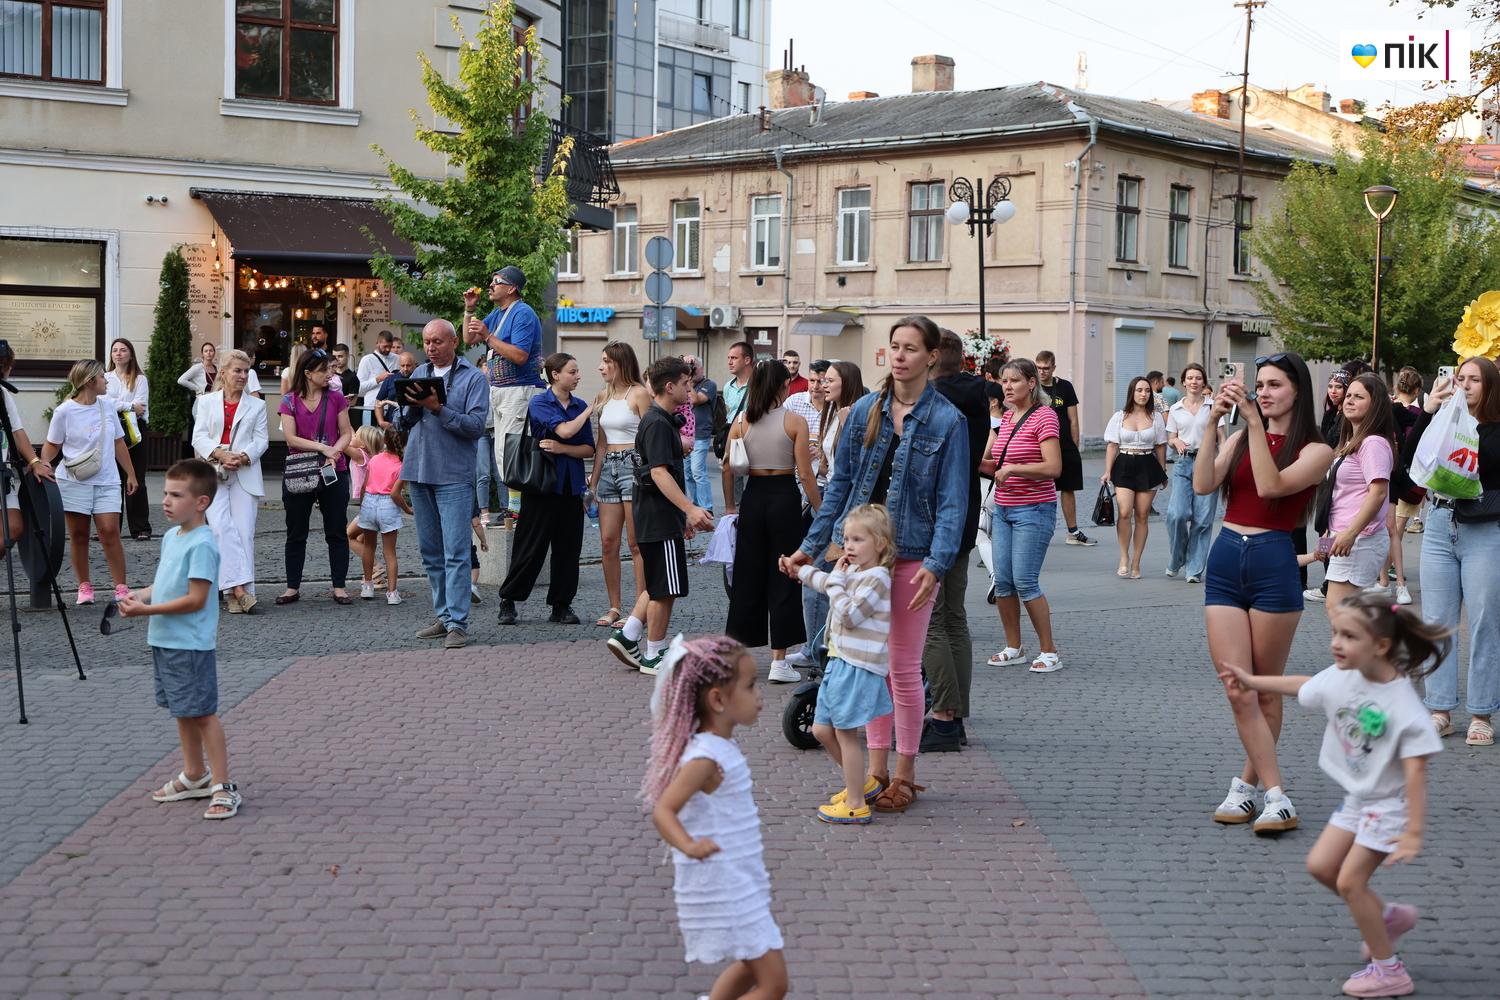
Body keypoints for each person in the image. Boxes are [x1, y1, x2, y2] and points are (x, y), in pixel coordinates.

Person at [781, 316, 968, 815]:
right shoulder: (865, 409)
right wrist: (812, 546)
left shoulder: (949, 421)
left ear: (931, 356)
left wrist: (938, 563)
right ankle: (874, 773)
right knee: (868, 665)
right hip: (857, 555)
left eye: (911, 348)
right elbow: (839, 486)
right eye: (895, 346)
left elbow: (954, 501)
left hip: (912, 558)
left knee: (904, 669)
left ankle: (903, 774)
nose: (900, 355)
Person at [1218, 592, 1448, 998]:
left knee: (1350, 883)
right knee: (1322, 867)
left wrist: (1413, 830)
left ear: (1380, 646)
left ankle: (1389, 970)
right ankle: (1387, 917)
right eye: (1335, 633)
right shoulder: (1345, 675)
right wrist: (1252, 681)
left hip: (1388, 806)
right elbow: (1305, 685)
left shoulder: (1402, 703)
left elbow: (1417, 769)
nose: (1336, 644)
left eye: (1348, 637)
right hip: (1359, 799)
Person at [1195, 351, 1334, 833]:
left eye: (1275, 384)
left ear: (1298, 390)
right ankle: (1274, 795)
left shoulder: (1316, 449)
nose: (1264, 392)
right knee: (1236, 684)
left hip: (1275, 558)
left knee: (1265, 689)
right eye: (1260, 384)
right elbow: (1203, 483)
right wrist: (1213, 423)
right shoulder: (1237, 435)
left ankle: (1249, 788)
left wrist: (1254, 424)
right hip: (1228, 554)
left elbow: (1272, 486)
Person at [643, 635, 788, 1000]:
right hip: (727, 882)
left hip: (743, 876)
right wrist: (689, 846)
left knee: (750, 965)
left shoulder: (719, 750)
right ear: (718, 699)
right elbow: (664, 810)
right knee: (773, 985)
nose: (760, 696)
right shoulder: (705, 757)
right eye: (751, 686)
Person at [121, 459, 240, 820]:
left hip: (189, 644)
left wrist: (146, 612)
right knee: (182, 710)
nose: (166, 501)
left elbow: (196, 599)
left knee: (203, 714)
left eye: (176, 495)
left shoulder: (203, 544)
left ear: (201, 502)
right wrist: (142, 595)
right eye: (165, 493)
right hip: (165, 640)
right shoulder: (174, 537)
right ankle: (193, 774)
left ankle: (222, 785)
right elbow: (167, 585)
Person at [1406, 357, 1500, 747]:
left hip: (1484, 527)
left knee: (1483, 621)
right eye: (1460, 378)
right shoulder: (1442, 415)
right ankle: (1440, 710)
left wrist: (1469, 430)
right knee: (1436, 622)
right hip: (1439, 525)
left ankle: (1481, 713)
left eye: (1474, 380)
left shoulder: (1494, 427)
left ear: (1491, 386)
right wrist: (1430, 413)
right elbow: (1410, 460)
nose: (1465, 385)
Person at [606, 357, 713, 674]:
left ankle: (629, 637)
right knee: (665, 590)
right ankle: (654, 653)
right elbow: (660, 473)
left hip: (660, 516)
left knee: (657, 583)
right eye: (685, 384)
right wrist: (689, 510)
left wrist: (682, 516)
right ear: (670, 386)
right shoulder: (656, 422)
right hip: (657, 516)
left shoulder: (660, 420)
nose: (689, 389)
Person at [722, 358, 821, 682]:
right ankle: (779, 660)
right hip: (783, 497)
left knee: (747, 576)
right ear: (783, 386)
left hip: (753, 497)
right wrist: (821, 512)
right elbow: (805, 474)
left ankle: (739, 655)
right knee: (785, 572)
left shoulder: (741, 422)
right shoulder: (794, 422)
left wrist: (730, 506)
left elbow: (726, 466)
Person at [800, 504, 894, 824]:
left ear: (879, 543)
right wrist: (798, 570)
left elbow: (849, 614)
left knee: (845, 733)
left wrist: (837, 580)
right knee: (821, 729)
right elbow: (828, 584)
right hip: (839, 661)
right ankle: (862, 785)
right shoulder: (852, 571)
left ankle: (856, 803)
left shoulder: (877, 577)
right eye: (846, 539)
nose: (849, 546)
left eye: (857, 539)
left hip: (857, 665)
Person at [401, 319, 489, 650]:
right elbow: (404, 424)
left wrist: (438, 409)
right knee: (431, 551)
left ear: (454, 342)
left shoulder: (473, 378)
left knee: (456, 552)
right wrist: (406, 411)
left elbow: (476, 426)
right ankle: (444, 616)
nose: (431, 348)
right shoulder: (418, 374)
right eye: (426, 342)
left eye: (438, 341)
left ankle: (458, 623)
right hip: (420, 470)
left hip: (453, 474)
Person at [922, 331, 990, 752]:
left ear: (931, 359)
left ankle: (943, 717)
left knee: (930, 619)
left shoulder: (935, 401)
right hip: (964, 511)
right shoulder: (978, 394)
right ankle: (957, 714)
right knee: (953, 617)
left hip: (934, 518)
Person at [496, 353, 596, 626]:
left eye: (577, 372)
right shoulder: (540, 401)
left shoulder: (579, 404)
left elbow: (588, 448)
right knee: (529, 547)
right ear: (555, 374)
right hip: (541, 485)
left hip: (571, 486)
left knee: (568, 550)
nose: (577, 376)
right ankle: (509, 600)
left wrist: (564, 449)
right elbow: (563, 431)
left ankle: (561, 605)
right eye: (572, 372)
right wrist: (587, 414)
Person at [983, 357, 1064, 673]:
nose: (1007, 386)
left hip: (1034, 509)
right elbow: (995, 463)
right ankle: (1013, 646)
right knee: (1003, 581)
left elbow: (1053, 467)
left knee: (1025, 581)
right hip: (1003, 508)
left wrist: (1015, 469)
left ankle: (1049, 651)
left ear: (1032, 383)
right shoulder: (1005, 417)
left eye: (1014, 380)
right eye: (1004, 381)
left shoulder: (1044, 417)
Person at [43, 359, 136, 605]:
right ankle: (84, 586)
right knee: (79, 534)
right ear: (90, 382)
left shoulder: (106, 407)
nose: (106, 381)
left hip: (107, 480)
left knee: (110, 531)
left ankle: (121, 587)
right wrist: (43, 464)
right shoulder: (64, 411)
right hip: (73, 480)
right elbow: (53, 444)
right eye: (103, 378)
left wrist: (131, 473)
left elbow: (118, 442)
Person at [790, 360, 864, 670]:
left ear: (845, 383)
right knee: (824, 581)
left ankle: (817, 649)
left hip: (844, 507)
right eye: (821, 381)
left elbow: (852, 470)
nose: (822, 385)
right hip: (833, 501)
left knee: (820, 580)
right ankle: (816, 646)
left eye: (829, 380)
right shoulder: (832, 414)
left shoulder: (851, 414)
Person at [276, 349, 355, 607]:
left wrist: (337, 451)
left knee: (336, 530)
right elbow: (291, 438)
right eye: (323, 370)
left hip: (334, 470)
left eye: (330, 369)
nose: (329, 374)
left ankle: (339, 587)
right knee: (296, 531)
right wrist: (324, 448)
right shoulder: (289, 401)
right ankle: (292, 587)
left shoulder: (336, 398)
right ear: (308, 373)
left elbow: (346, 432)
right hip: (301, 470)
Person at [191, 350, 267, 615]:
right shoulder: (206, 402)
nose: (243, 376)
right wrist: (220, 454)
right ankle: (238, 591)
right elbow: (198, 437)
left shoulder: (257, 405)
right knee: (221, 529)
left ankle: (238, 592)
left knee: (243, 531)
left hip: (244, 474)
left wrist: (244, 456)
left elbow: (262, 440)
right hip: (214, 472)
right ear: (223, 372)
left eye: (246, 371)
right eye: (237, 371)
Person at [463, 265, 544, 505]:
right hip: (500, 391)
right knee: (502, 454)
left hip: (519, 390)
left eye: (497, 282)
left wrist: (489, 337)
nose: (491, 286)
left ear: (512, 288)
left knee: (512, 453)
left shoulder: (523, 313)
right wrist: (469, 310)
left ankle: (518, 510)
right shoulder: (498, 313)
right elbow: (468, 339)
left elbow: (520, 355)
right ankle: (515, 507)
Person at [1318, 374, 1396, 617]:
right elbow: (1342, 495)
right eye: (1348, 395)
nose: (1349, 400)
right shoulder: (1351, 441)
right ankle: (1361, 654)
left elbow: (1378, 492)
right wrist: (1327, 537)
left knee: (1341, 612)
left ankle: (1365, 654)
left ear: (1375, 405)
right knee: (1345, 613)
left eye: (1359, 397)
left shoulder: (1373, 443)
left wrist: (1351, 533)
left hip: (1359, 539)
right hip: (1343, 537)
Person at [589, 343, 652, 630]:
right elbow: (601, 443)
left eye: (606, 361)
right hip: (609, 468)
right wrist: (594, 477)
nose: (601, 367)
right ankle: (615, 605)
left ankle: (641, 607)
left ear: (620, 363)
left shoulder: (638, 393)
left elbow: (650, 435)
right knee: (607, 542)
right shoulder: (603, 396)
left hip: (633, 464)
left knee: (635, 542)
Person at [1102, 376, 1169, 579]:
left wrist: (1163, 471)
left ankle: (1136, 562)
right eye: (1139, 390)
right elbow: (1112, 445)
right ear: (1132, 392)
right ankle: (1124, 557)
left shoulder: (1156, 417)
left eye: (1147, 391)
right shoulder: (1120, 416)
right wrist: (1107, 471)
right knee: (1124, 512)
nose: (1143, 394)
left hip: (1147, 464)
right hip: (1124, 464)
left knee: (1141, 514)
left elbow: (1160, 445)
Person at [1034, 350, 1096, 545]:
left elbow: (1073, 420)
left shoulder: (1065, 387)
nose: (1042, 372)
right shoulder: (1032, 387)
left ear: (1053, 367)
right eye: (1039, 368)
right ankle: (1034, 531)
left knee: (1068, 489)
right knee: (1038, 489)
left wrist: (1074, 447)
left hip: (1065, 447)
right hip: (1040, 448)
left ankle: (1073, 532)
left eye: (1046, 368)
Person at [0, 341, 57, 552]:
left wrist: (34, 461)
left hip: (2, 471)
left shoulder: (3, 394)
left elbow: (17, 431)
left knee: (13, 528)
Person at [1165, 363, 1218, 583]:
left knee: (1203, 520)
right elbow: (1170, 439)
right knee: (1176, 514)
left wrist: (1225, 463)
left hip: (1208, 464)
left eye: (1198, 378)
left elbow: (1222, 437)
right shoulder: (1176, 409)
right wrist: (1175, 440)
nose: (1194, 382)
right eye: (1190, 378)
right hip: (1184, 463)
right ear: (1184, 382)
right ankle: (1178, 558)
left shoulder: (1213, 407)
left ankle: (1194, 569)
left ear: (1203, 382)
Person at [1379, 367, 1425, 605]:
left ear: (1397, 387)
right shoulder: (1421, 415)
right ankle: (1388, 580)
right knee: (1394, 530)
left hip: (1387, 476)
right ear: (1417, 390)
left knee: (1390, 529)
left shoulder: (1386, 409)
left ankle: (1385, 579)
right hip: (1411, 478)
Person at [353, 425, 411, 606]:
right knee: (390, 552)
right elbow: (395, 494)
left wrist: (363, 506)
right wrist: (407, 509)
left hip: (369, 501)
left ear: (384, 440)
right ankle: (392, 593)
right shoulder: (402, 465)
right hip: (388, 505)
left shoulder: (375, 459)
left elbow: (364, 486)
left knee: (369, 546)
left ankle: (368, 586)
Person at [105, 337, 152, 540]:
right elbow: (104, 402)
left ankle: (140, 527)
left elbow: (141, 406)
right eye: (115, 350)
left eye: (123, 350)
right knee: (113, 479)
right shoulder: (105, 377)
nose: (118, 353)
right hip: (111, 429)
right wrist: (128, 405)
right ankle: (110, 527)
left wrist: (121, 404)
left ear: (130, 354)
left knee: (136, 477)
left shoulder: (140, 379)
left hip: (136, 431)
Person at [721, 341, 754, 505]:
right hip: (733, 439)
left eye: (734, 358)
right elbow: (729, 414)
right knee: (733, 480)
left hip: (753, 439)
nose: (729, 361)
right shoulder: (728, 386)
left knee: (753, 484)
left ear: (747, 360)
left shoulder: (758, 384)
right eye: (728, 358)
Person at [685, 355, 717, 516]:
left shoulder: (709, 385)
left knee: (697, 471)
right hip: (685, 435)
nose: (690, 371)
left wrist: (687, 380)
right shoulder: (682, 385)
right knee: (687, 473)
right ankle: (695, 504)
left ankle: (706, 506)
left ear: (701, 368)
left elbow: (696, 400)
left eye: (693, 367)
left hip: (701, 434)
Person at [357, 330, 399, 427]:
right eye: (385, 346)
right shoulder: (367, 360)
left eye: (390, 346)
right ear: (377, 343)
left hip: (392, 409)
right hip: (371, 408)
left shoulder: (398, 359)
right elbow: (359, 389)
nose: (388, 349)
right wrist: (378, 379)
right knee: (370, 440)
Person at [374, 350, 418, 428]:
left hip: (415, 425)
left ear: (415, 365)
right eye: (402, 365)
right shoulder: (390, 379)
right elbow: (378, 402)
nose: (405, 369)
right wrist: (381, 422)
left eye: (408, 365)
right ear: (399, 365)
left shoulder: (420, 378)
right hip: (392, 424)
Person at [1322, 370, 1351, 446]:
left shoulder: (1350, 414)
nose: (1333, 391)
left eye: (1339, 387)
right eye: (1330, 386)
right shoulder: (1329, 413)